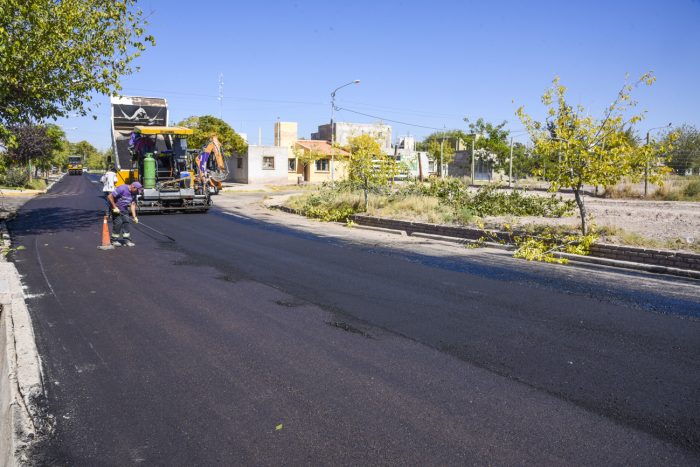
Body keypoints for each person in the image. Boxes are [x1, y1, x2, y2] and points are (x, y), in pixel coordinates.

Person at [107, 182, 142, 247]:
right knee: (118, 223)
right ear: (133, 187)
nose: (137, 192)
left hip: (124, 209)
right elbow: (109, 196)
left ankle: (127, 240)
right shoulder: (122, 188)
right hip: (116, 209)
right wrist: (114, 207)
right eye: (137, 190)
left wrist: (134, 217)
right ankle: (114, 240)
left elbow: (133, 204)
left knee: (126, 222)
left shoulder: (134, 193)